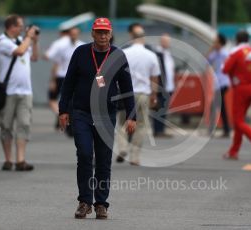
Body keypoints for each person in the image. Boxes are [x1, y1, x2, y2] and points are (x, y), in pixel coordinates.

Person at [58, 17, 136, 219]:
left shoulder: (118, 55)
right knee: (84, 155)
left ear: (110, 34)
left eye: (106, 32)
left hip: (106, 115)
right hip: (82, 112)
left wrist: (131, 115)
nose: (102, 35)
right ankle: (85, 202)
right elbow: (68, 83)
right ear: (92, 33)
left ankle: (101, 203)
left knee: (103, 160)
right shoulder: (81, 53)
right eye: (99, 32)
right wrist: (63, 110)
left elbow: (127, 88)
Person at [0, 14, 39, 171]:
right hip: (8, 91)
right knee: (6, 126)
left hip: (26, 91)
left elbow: (34, 57)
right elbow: (20, 51)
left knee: (24, 124)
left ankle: (21, 160)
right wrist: (28, 37)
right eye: (20, 25)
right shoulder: (2, 41)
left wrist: (34, 41)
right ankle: (8, 160)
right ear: (11, 26)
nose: (22, 28)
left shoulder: (23, 40)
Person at [116, 24, 160, 165]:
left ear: (131, 37)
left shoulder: (124, 53)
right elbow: (154, 78)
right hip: (143, 94)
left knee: (121, 123)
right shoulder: (151, 55)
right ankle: (135, 156)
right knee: (140, 125)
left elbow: (118, 74)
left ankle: (122, 148)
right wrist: (154, 95)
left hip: (126, 93)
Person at [222, 30, 251, 160]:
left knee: (238, 121)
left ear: (237, 40)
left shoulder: (235, 52)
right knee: (240, 119)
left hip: (240, 89)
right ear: (248, 40)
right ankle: (233, 151)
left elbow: (225, 69)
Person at [44, 27, 85, 134]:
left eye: (75, 34)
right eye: (72, 34)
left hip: (76, 77)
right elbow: (56, 63)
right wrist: (52, 80)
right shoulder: (63, 47)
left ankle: (70, 123)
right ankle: (61, 115)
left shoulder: (82, 46)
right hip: (62, 76)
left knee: (72, 101)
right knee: (58, 99)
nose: (73, 36)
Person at [206, 33, 231, 138]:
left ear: (220, 43)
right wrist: (210, 49)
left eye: (216, 42)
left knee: (214, 105)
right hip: (217, 83)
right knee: (221, 107)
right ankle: (226, 129)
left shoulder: (225, 54)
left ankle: (212, 129)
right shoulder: (214, 54)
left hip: (224, 82)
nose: (214, 43)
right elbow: (206, 61)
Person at [153, 33, 175, 137]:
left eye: (168, 41)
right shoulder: (157, 53)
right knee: (159, 108)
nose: (167, 43)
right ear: (161, 41)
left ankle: (161, 129)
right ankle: (158, 130)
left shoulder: (168, 53)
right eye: (165, 41)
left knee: (164, 109)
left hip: (169, 86)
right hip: (160, 86)